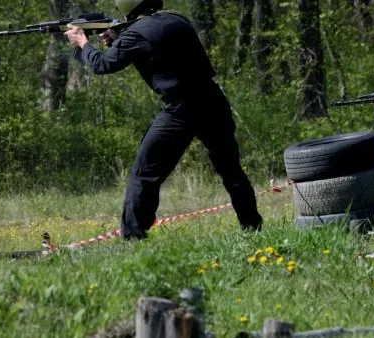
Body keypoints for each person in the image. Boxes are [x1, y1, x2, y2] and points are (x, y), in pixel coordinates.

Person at [64, 0, 263, 239]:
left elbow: (101, 64)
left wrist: (82, 43)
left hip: (181, 108)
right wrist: (118, 37)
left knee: (144, 173)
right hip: (212, 100)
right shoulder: (176, 19)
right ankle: (253, 228)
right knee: (231, 171)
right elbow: (160, 48)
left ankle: (134, 237)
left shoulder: (135, 35)